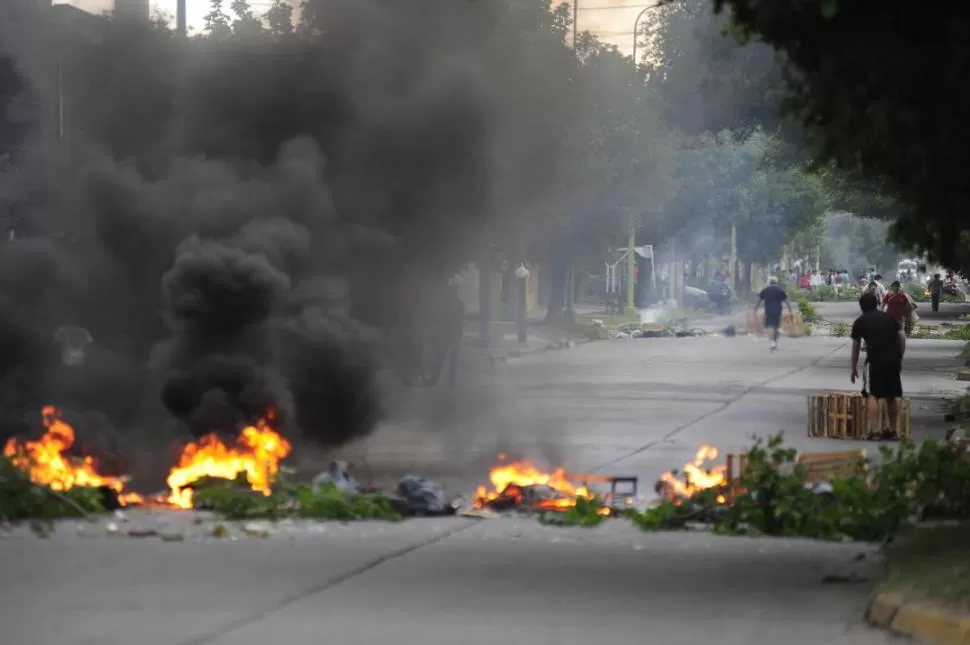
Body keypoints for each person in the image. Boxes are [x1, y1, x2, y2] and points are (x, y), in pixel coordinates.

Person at [850, 292, 906, 440]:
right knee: (891, 395)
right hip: (893, 360)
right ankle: (893, 430)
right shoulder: (888, 317)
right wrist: (899, 355)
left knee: (872, 394)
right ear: (876, 303)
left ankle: (875, 431)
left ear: (862, 306)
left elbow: (856, 346)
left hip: (875, 360)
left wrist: (853, 367)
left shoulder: (860, 321)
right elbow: (901, 335)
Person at [424, 275, 466, 388]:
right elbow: (460, 321)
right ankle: (450, 380)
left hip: (445, 335)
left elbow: (439, 318)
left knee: (440, 358)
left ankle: (433, 380)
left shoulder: (445, 304)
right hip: (454, 335)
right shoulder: (459, 305)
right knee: (453, 359)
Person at [754, 276, 793, 350]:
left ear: (769, 282)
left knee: (770, 326)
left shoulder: (765, 290)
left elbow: (759, 300)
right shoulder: (780, 290)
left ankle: (772, 342)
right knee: (776, 325)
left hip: (768, 310)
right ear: (776, 282)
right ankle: (777, 333)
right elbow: (787, 301)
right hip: (778, 310)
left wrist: (755, 310)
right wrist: (790, 310)